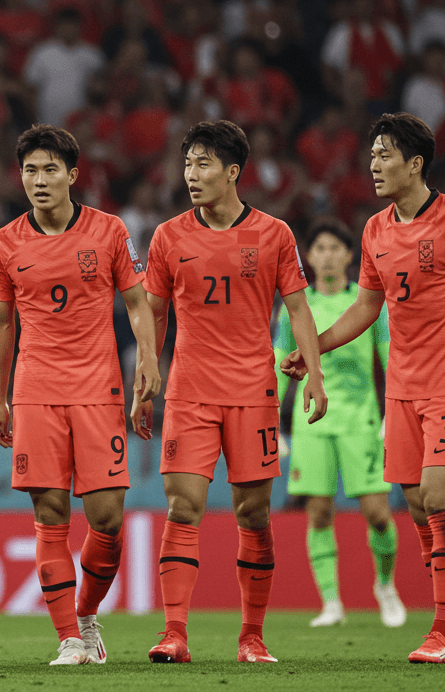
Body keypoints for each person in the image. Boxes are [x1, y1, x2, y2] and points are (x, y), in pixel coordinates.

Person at [282, 112, 445, 664]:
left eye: (385, 155)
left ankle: (441, 633)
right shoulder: (375, 229)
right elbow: (367, 306)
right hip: (403, 387)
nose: (374, 165)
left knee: (439, 499)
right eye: (372, 156)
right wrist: (314, 346)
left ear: (415, 164)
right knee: (416, 508)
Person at [141, 120, 328, 665]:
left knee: (253, 513)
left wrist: (314, 373)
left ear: (232, 172)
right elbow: (153, 312)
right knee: (184, 504)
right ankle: (174, 633)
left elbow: (297, 308)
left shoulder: (274, 234)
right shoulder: (168, 236)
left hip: (252, 392)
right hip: (189, 392)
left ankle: (252, 637)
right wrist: (143, 377)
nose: (191, 175)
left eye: (203, 165)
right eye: (187, 164)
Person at [0, 125, 161, 666]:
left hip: (98, 388)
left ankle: (86, 615)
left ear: (72, 175)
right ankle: (67, 638)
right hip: (36, 388)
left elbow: (137, 303)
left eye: (49, 170)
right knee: (50, 509)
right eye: (30, 171)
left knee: (107, 517)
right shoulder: (5, 242)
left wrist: (148, 360)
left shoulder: (109, 231)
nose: (39, 180)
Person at [274, 220, 406, 629]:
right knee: (318, 513)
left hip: (361, 419)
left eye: (336, 248)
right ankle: (331, 603)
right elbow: (280, 364)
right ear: (308, 257)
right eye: (320, 248)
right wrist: (271, 420)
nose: (327, 255)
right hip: (311, 421)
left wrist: (392, 414)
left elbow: (390, 358)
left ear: (350, 256)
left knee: (378, 513)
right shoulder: (295, 306)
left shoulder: (368, 304)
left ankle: (385, 585)